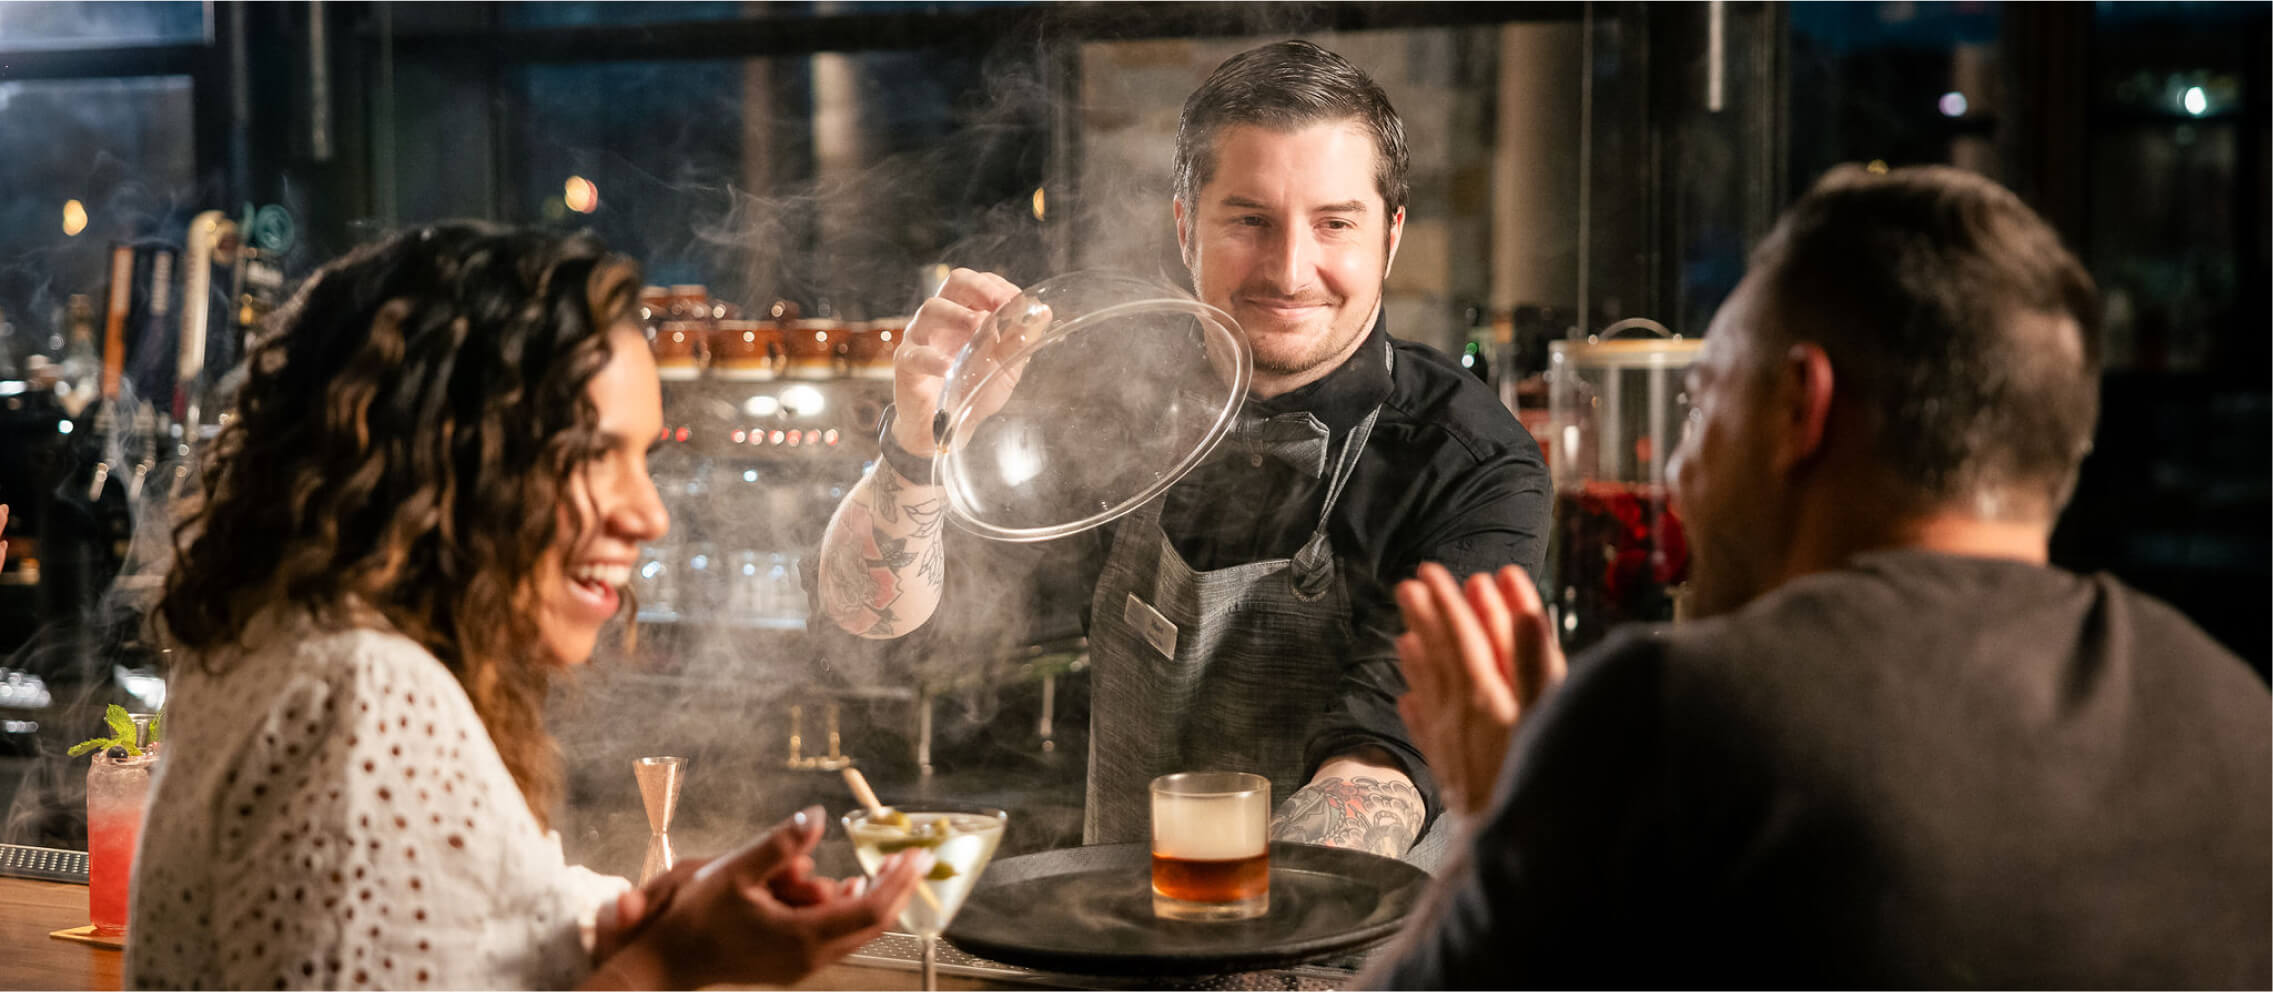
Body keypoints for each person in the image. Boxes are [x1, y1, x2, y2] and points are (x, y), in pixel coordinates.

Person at [1369, 165, 2272, 987]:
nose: (1676, 469)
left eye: (1704, 399)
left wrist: (1498, 822)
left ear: (1801, 406)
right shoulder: (2237, 718)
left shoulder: (1675, 715)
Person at [127, 224, 930, 990]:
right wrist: (672, 958)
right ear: (443, 460)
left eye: (642, 458)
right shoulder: (364, 693)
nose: (649, 516)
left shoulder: (279, 635)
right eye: (592, 455)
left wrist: (606, 932)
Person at [813, 40, 1551, 860]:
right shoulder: (1111, 402)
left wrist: (1206, 912)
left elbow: (1377, 770)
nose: (1289, 269)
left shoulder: (1470, 464)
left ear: (1390, 235)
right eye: (1249, 220)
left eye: (1333, 223)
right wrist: (919, 440)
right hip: (1123, 946)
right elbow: (873, 620)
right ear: (1184, 224)